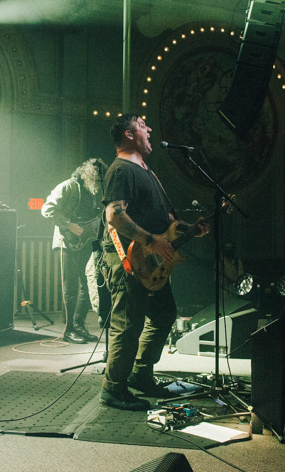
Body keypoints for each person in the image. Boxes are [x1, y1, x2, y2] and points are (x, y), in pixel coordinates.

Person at [96, 115, 208, 410]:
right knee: (127, 324)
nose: (149, 129)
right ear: (130, 134)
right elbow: (115, 215)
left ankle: (140, 374)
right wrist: (151, 241)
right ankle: (113, 388)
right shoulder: (121, 169)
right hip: (130, 259)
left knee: (163, 314)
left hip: (153, 260)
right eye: (144, 125)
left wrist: (187, 230)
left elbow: (165, 222)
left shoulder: (148, 172)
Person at [41, 158, 108, 343]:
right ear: (88, 174)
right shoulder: (69, 186)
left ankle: (78, 325)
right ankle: (68, 330)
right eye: (96, 178)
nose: (99, 183)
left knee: (87, 287)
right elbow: (47, 209)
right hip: (67, 241)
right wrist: (69, 225)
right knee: (70, 288)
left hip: (87, 242)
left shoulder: (94, 191)